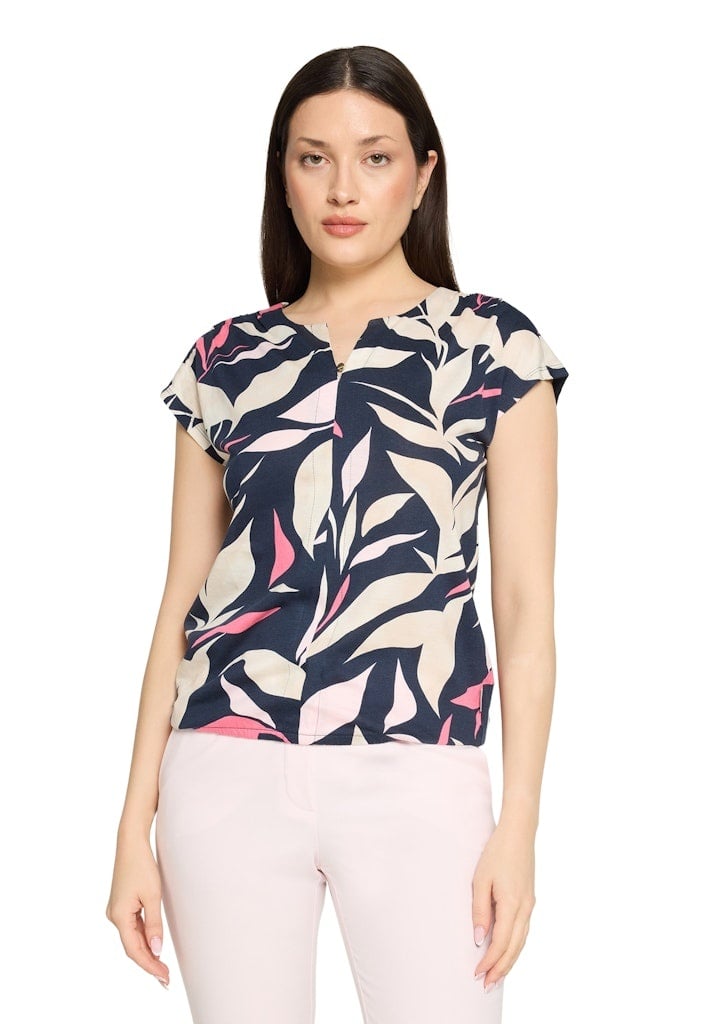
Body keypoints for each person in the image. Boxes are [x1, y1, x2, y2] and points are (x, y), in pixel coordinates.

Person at [106, 44, 568, 1024]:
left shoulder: (493, 348)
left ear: (423, 174)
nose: (342, 188)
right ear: (283, 177)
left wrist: (519, 825)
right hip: (224, 761)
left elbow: (525, 608)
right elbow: (182, 597)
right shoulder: (225, 359)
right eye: (313, 158)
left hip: (419, 762)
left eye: (375, 157)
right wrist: (130, 830)